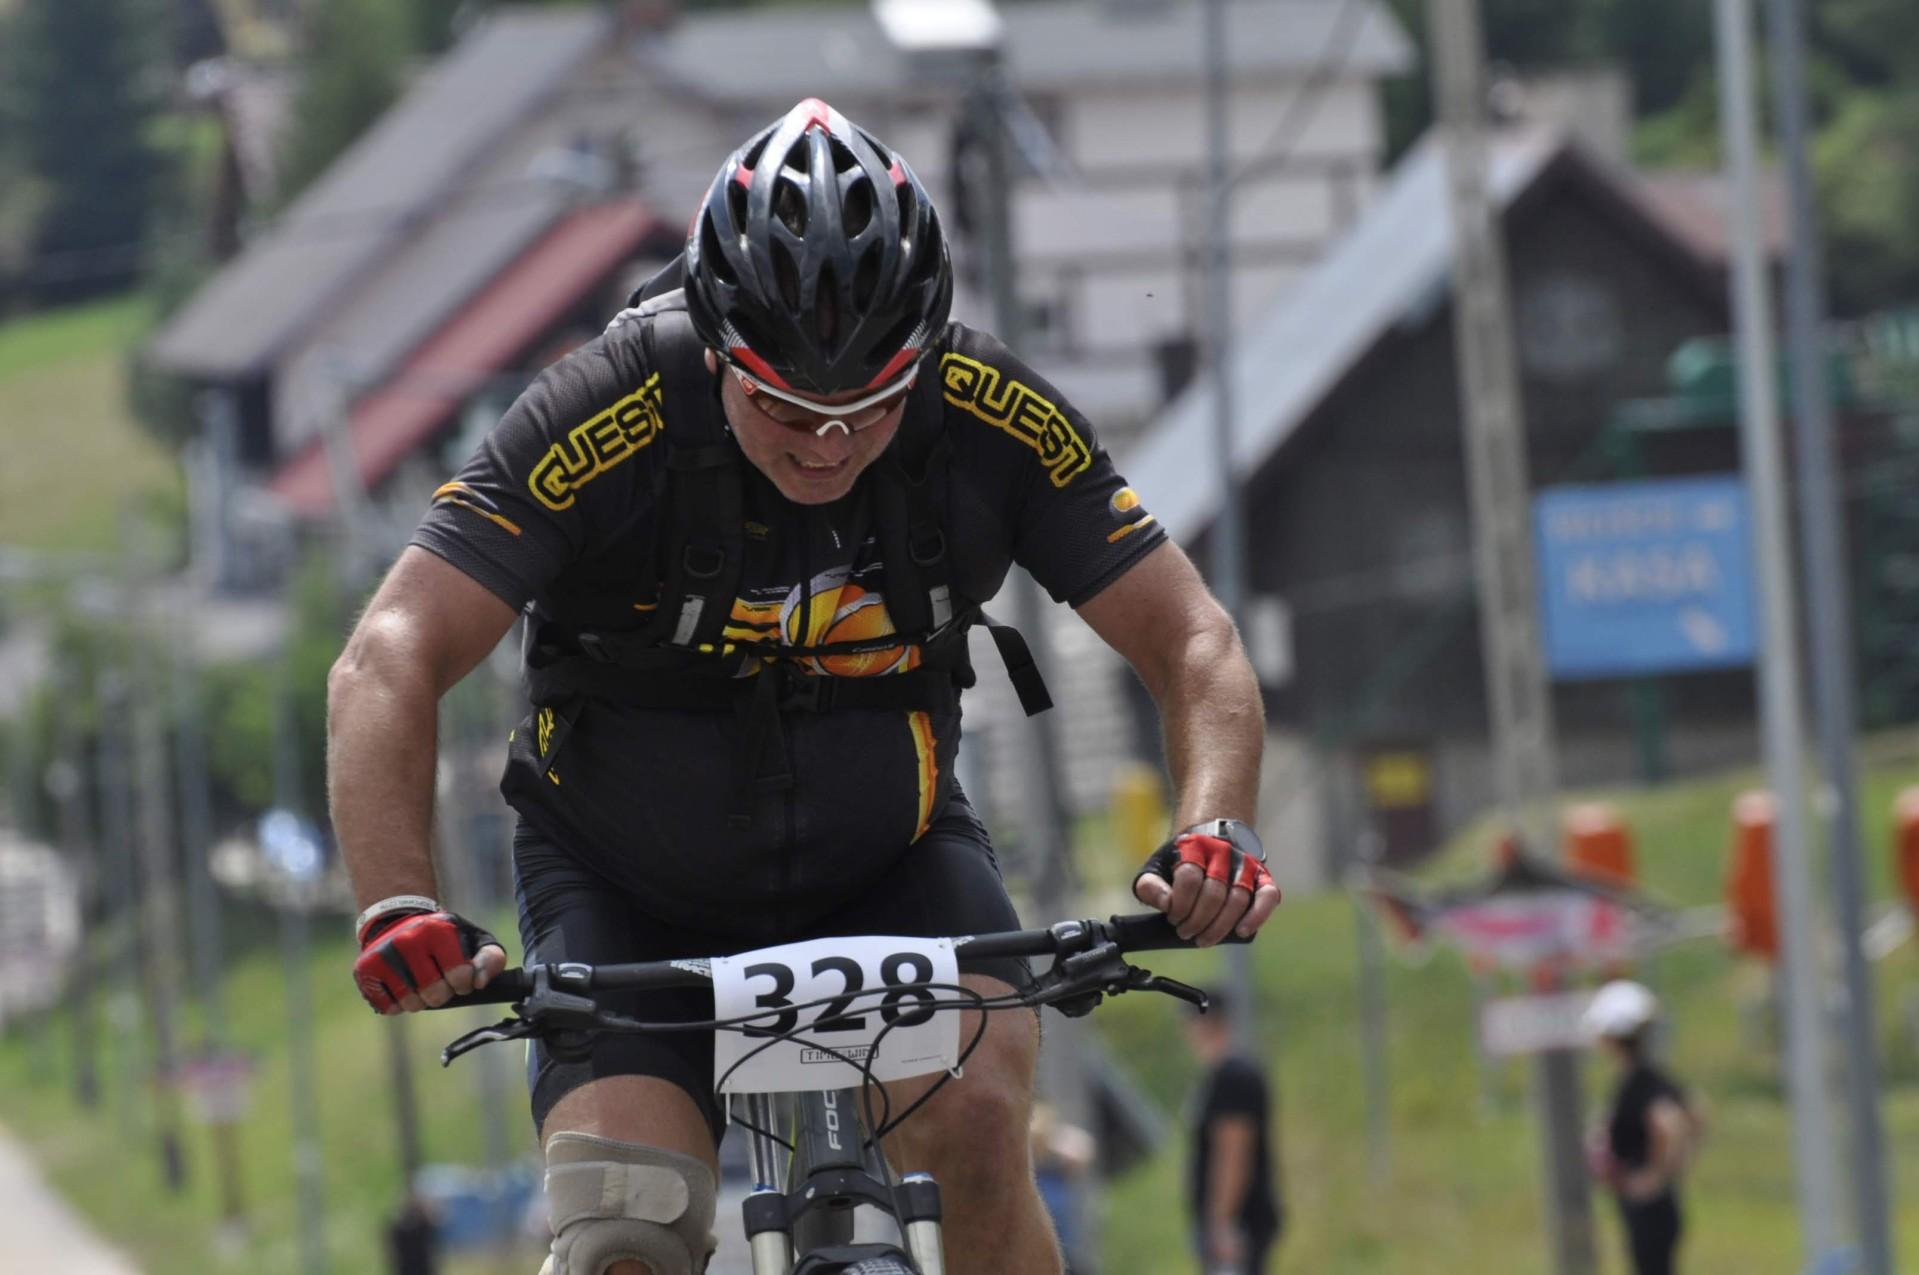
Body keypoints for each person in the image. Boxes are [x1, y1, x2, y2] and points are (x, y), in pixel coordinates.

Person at [330, 97, 1280, 1275]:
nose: (827, 444)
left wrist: (1214, 826)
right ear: (716, 348)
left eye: (870, 407)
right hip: (625, 885)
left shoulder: (989, 412)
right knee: (624, 1233)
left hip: (891, 864)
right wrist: (397, 900)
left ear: (922, 358)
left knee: (982, 1134)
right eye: (784, 405)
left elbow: (1190, 639)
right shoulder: (604, 408)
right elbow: (390, 652)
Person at [1582, 980, 1704, 1275]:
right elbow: (1698, 1114)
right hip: (1657, 1207)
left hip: (1648, 1206)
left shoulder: (1638, 1084)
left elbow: (1670, 1124)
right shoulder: (1653, 1078)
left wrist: (1655, 1175)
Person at [1183, 990, 1281, 1275]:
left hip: (1239, 1222)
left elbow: (1234, 1152)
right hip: (1232, 1221)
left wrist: (1223, 1223)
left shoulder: (1233, 1076)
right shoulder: (1219, 1076)